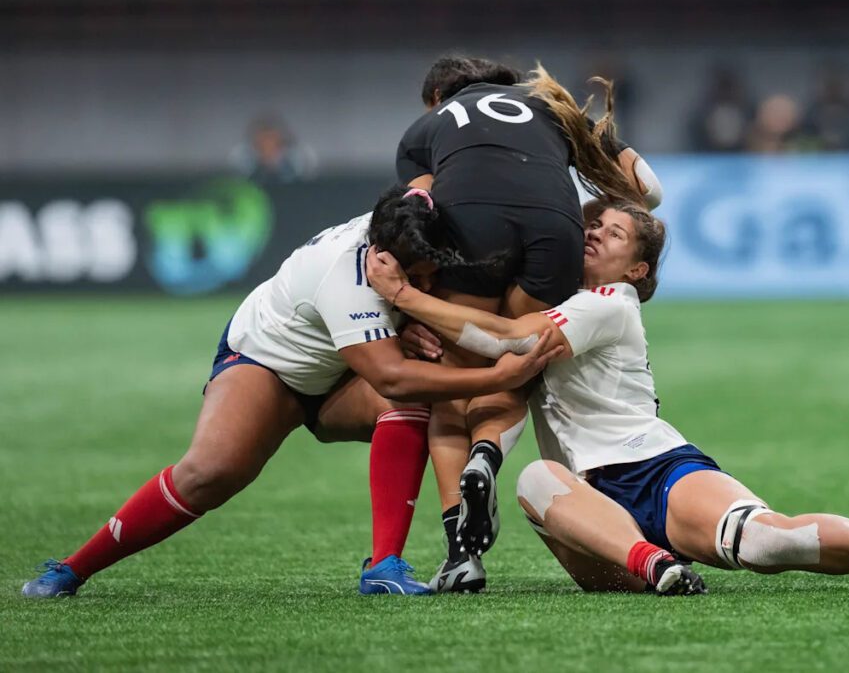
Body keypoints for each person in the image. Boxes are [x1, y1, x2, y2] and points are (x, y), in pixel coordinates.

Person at [367, 196, 849, 594]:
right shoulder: (552, 296)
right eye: (593, 225)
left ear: (636, 270)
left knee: (769, 543)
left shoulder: (606, 301)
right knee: (539, 479)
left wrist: (405, 298)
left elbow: (508, 342)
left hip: (654, 469)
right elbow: (503, 355)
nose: (593, 233)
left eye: (613, 234)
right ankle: (656, 564)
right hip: (591, 506)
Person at [21, 186, 561, 599]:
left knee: (413, 398)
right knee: (211, 471)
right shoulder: (346, 277)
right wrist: (495, 379)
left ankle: (384, 567)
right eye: (414, 278)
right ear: (383, 257)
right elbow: (391, 377)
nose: (421, 288)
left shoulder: (401, 226)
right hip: (267, 362)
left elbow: (422, 181)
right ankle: (73, 568)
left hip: (335, 372)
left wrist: (400, 318)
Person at [397, 56, 661, 591]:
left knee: (455, 380)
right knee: (517, 361)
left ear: (436, 98)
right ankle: (487, 456)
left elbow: (415, 221)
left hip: (469, 218)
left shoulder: (425, 127)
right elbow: (648, 189)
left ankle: (460, 551)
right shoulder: (550, 103)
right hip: (554, 224)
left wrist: (407, 306)